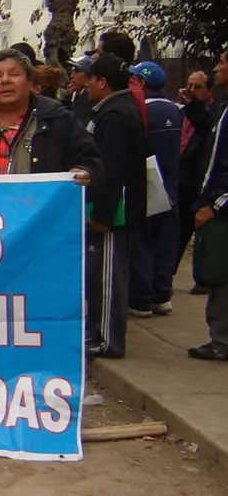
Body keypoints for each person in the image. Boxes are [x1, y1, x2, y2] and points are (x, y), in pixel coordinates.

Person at [0, 48, 101, 184]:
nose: (5, 80)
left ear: (29, 82)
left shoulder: (59, 121)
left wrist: (86, 173)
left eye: (14, 74)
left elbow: (92, 164)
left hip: (41, 216)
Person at [84, 53, 147, 359]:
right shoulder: (116, 110)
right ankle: (96, 332)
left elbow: (111, 168)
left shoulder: (115, 115)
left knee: (108, 277)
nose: (87, 86)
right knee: (99, 274)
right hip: (113, 207)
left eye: (91, 80)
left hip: (115, 210)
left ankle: (108, 340)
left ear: (102, 82)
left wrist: (102, 214)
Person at [127, 61, 181, 317]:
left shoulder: (139, 110)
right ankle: (163, 295)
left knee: (142, 243)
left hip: (146, 183)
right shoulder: (176, 109)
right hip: (171, 187)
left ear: (141, 82)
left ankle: (141, 299)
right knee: (165, 243)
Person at [188, 50, 228, 360]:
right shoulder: (223, 109)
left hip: (221, 207)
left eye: (223, 63)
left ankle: (222, 341)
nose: (217, 68)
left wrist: (214, 205)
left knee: (221, 276)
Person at [177, 71, 221, 294]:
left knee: (200, 229)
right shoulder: (184, 112)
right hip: (184, 178)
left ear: (209, 90)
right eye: (189, 86)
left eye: (197, 87)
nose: (191, 91)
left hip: (201, 181)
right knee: (181, 227)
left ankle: (204, 278)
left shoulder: (214, 114)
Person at [64, 55, 93, 124]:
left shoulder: (89, 98)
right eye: (73, 71)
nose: (72, 76)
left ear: (88, 75)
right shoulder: (77, 94)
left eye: (77, 71)